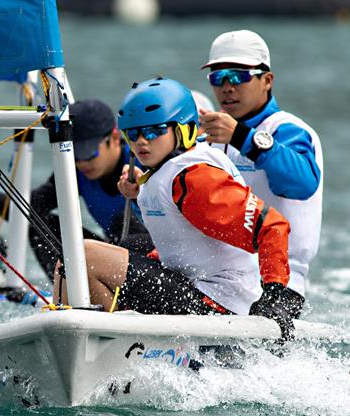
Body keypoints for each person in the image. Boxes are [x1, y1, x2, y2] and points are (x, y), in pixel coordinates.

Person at [62, 78, 301, 341]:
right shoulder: (167, 170)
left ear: (182, 129)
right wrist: (140, 191)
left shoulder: (195, 179)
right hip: (192, 288)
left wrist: (277, 296)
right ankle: (109, 351)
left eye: (153, 131)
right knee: (73, 259)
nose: (142, 142)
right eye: (134, 134)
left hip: (220, 307)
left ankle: (104, 355)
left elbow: (272, 226)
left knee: (83, 257)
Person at [198, 30, 322, 317]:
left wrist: (242, 137)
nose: (227, 87)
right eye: (218, 78)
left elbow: (302, 183)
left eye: (239, 76)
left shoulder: (289, 130)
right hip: (218, 277)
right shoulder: (211, 137)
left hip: (277, 284)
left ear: (267, 80)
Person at [0, 99, 150, 278]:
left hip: (154, 265)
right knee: (40, 225)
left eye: (88, 153)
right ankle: (69, 293)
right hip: (113, 263)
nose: (82, 162)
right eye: (75, 154)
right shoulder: (76, 172)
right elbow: (30, 209)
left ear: (115, 138)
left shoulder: (140, 163)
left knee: (121, 224)